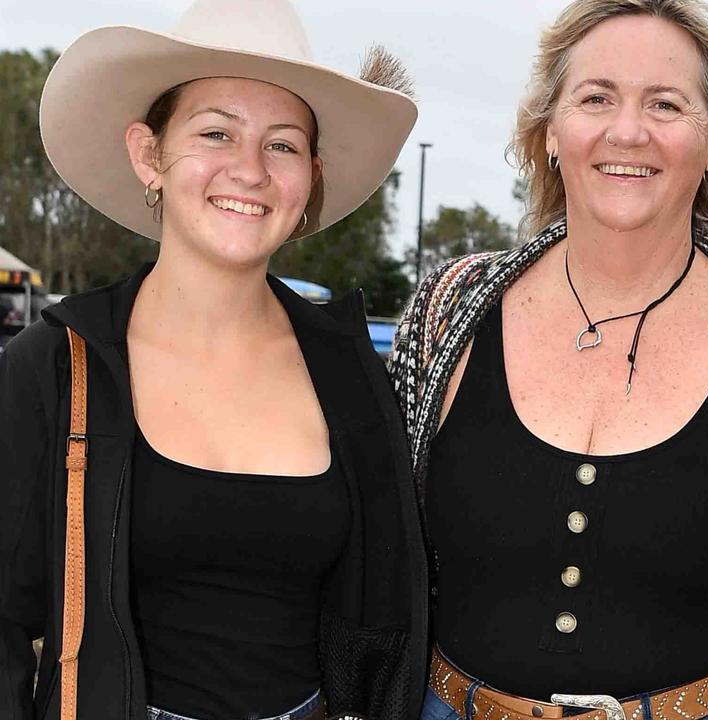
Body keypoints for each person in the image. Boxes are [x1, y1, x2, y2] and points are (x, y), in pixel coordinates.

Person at [388, 1, 708, 719]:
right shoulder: (450, 311)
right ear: (549, 132)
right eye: (596, 97)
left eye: (666, 104)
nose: (628, 130)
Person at [0, 2, 428, 718]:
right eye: (215, 132)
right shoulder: (54, 368)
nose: (250, 170)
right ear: (149, 154)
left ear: (310, 177)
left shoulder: (351, 375)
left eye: (283, 145)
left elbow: (383, 616)